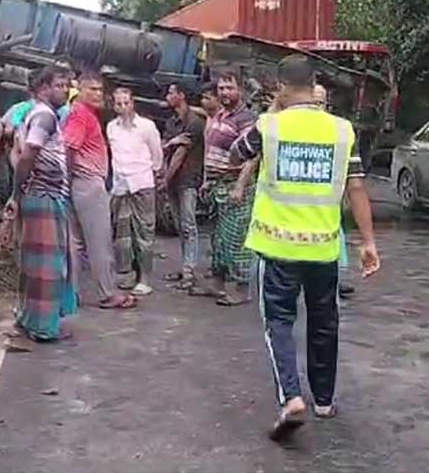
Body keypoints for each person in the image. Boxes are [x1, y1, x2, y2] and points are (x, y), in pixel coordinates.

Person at [230, 54, 381, 441]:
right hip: (323, 250)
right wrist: (367, 242)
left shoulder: (269, 127)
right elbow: (357, 186)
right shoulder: (343, 131)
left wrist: (272, 114)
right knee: (324, 322)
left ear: (280, 87)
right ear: (314, 85)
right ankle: (325, 400)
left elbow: (235, 154)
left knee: (278, 322)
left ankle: (292, 397)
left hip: (276, 247)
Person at [7, 66, 78, 341]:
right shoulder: (45, 116)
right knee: (48, 265)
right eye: (61, 85)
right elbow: (29, 153)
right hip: (44, 196)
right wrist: (16, 191)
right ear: (44, 87)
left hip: (40, 194)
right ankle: (43, 327)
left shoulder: (35, 114)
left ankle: (30, 319)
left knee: (35, 262)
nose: (65, 90)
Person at [64, 70, 137, 310]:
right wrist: (68, 175)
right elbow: (69, 147)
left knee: (74, 242)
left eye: (100, 89)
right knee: (100, 241)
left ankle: (71, 294)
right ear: (80, 90)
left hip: (79, 183)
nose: (98, 94)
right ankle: (108, 293)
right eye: (92, 89)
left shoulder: (85, 114)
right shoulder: (81, 115)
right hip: (88, 183)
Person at [191, 71, 257, 306]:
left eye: (229, 88)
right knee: (218, 239)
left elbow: (252, 157)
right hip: (217, 184)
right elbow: (213, 151)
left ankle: (242, 287)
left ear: (240, 90)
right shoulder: (220, 114)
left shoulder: (246, 118)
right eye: (221, 88)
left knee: (235, 240)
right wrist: (208, 180)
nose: (224, 93)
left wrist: (240, 186)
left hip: (234, 186)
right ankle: (217, 283)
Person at [107, 87, 163, 296]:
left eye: (126, 103)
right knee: (122, 234)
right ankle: (127, 274)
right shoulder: (111, 128)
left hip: (142, 183)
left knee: (144, 232)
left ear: (133, 103)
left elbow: (157, 155)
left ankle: (145, 278)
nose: (123, 108)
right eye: (118, 104)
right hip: (121, 186)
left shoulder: (146, 127)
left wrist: (154, 172)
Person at [311, 83, 356, 298]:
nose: (317, 106)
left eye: (321, 102)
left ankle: (335, 277)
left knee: (334, 235)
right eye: (314, 102)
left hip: (329, 198)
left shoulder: (337, 129)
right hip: (302, 199)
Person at [160, 82, 205, 291]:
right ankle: (185, 267)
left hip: (187, 179)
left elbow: (179, 154)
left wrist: (164, 180)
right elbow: (165, 147)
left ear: (181, 95)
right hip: (175, 179)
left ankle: (189, 271)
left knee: (188, 225)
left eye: (171, 92)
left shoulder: (193, 122)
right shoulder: (172, 122)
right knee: (180, 226)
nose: (168, 96)